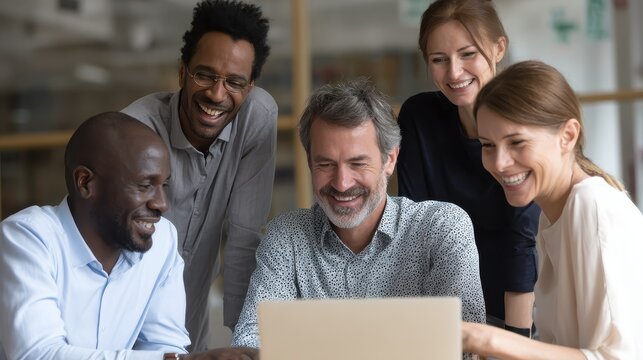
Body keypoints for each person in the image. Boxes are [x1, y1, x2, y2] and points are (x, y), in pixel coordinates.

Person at [231, 79, 486, 350]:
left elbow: (464, 348)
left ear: (390, 160)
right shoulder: (287, 237)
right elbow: (251, 343)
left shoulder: (442, 228)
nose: (342, 183)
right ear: (309, 163)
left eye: (357, 163)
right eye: (326, 164)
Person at [0, 112, 258, 360]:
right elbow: (37, 354)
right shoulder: (29, 237)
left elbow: (164, 347)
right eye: (145, 186)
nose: (162, 204)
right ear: (86, 183)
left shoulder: (162, 240)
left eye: (163, 185)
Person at [121, 0, 277, 351]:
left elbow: (244, 239)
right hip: (121, 336)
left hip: (192, 336)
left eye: (234, 82)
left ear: (249, 87)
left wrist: (244, 345)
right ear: (182, 72)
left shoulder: (256, 118)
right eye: (204, 75)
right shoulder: (135, 131)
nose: (217, 94)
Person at [464, 60, 643, 359]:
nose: (499, 163)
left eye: (517, 142)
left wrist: (485, 340)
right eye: (488, 145)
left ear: (568, 136)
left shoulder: (591, 206)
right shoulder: (551, 214)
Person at [396, 0, 539, 335]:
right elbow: (414, 229)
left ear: (498, 47)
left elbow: (522, 243)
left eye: (468, 54)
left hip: (527, 312)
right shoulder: (419, 119)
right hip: (446, 316)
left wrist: (514, 343)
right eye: (439, 60)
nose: (454, 72)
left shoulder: (524, 122)